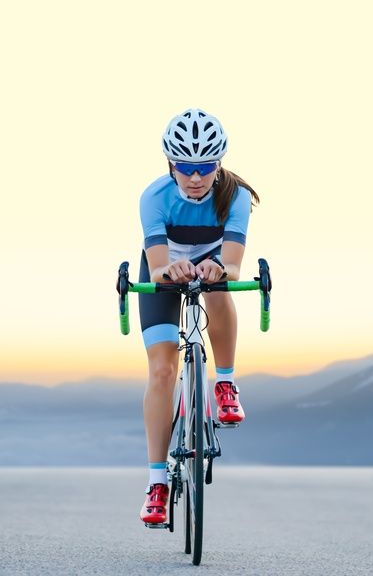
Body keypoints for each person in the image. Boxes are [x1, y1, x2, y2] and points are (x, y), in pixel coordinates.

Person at [137, 108, 260, 524]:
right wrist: (168, 270)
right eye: (185, 167)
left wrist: (219, 268)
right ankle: (157, 483)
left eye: (205, 167)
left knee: (219, 285)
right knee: (161, 371)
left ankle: (224, 383)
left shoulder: (235, 197)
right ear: (170, 163)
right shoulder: (154, 197)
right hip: (163, 269)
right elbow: (157, 267)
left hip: (212, 263)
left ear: (218, 163)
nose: (195, 177)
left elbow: (234, 265)